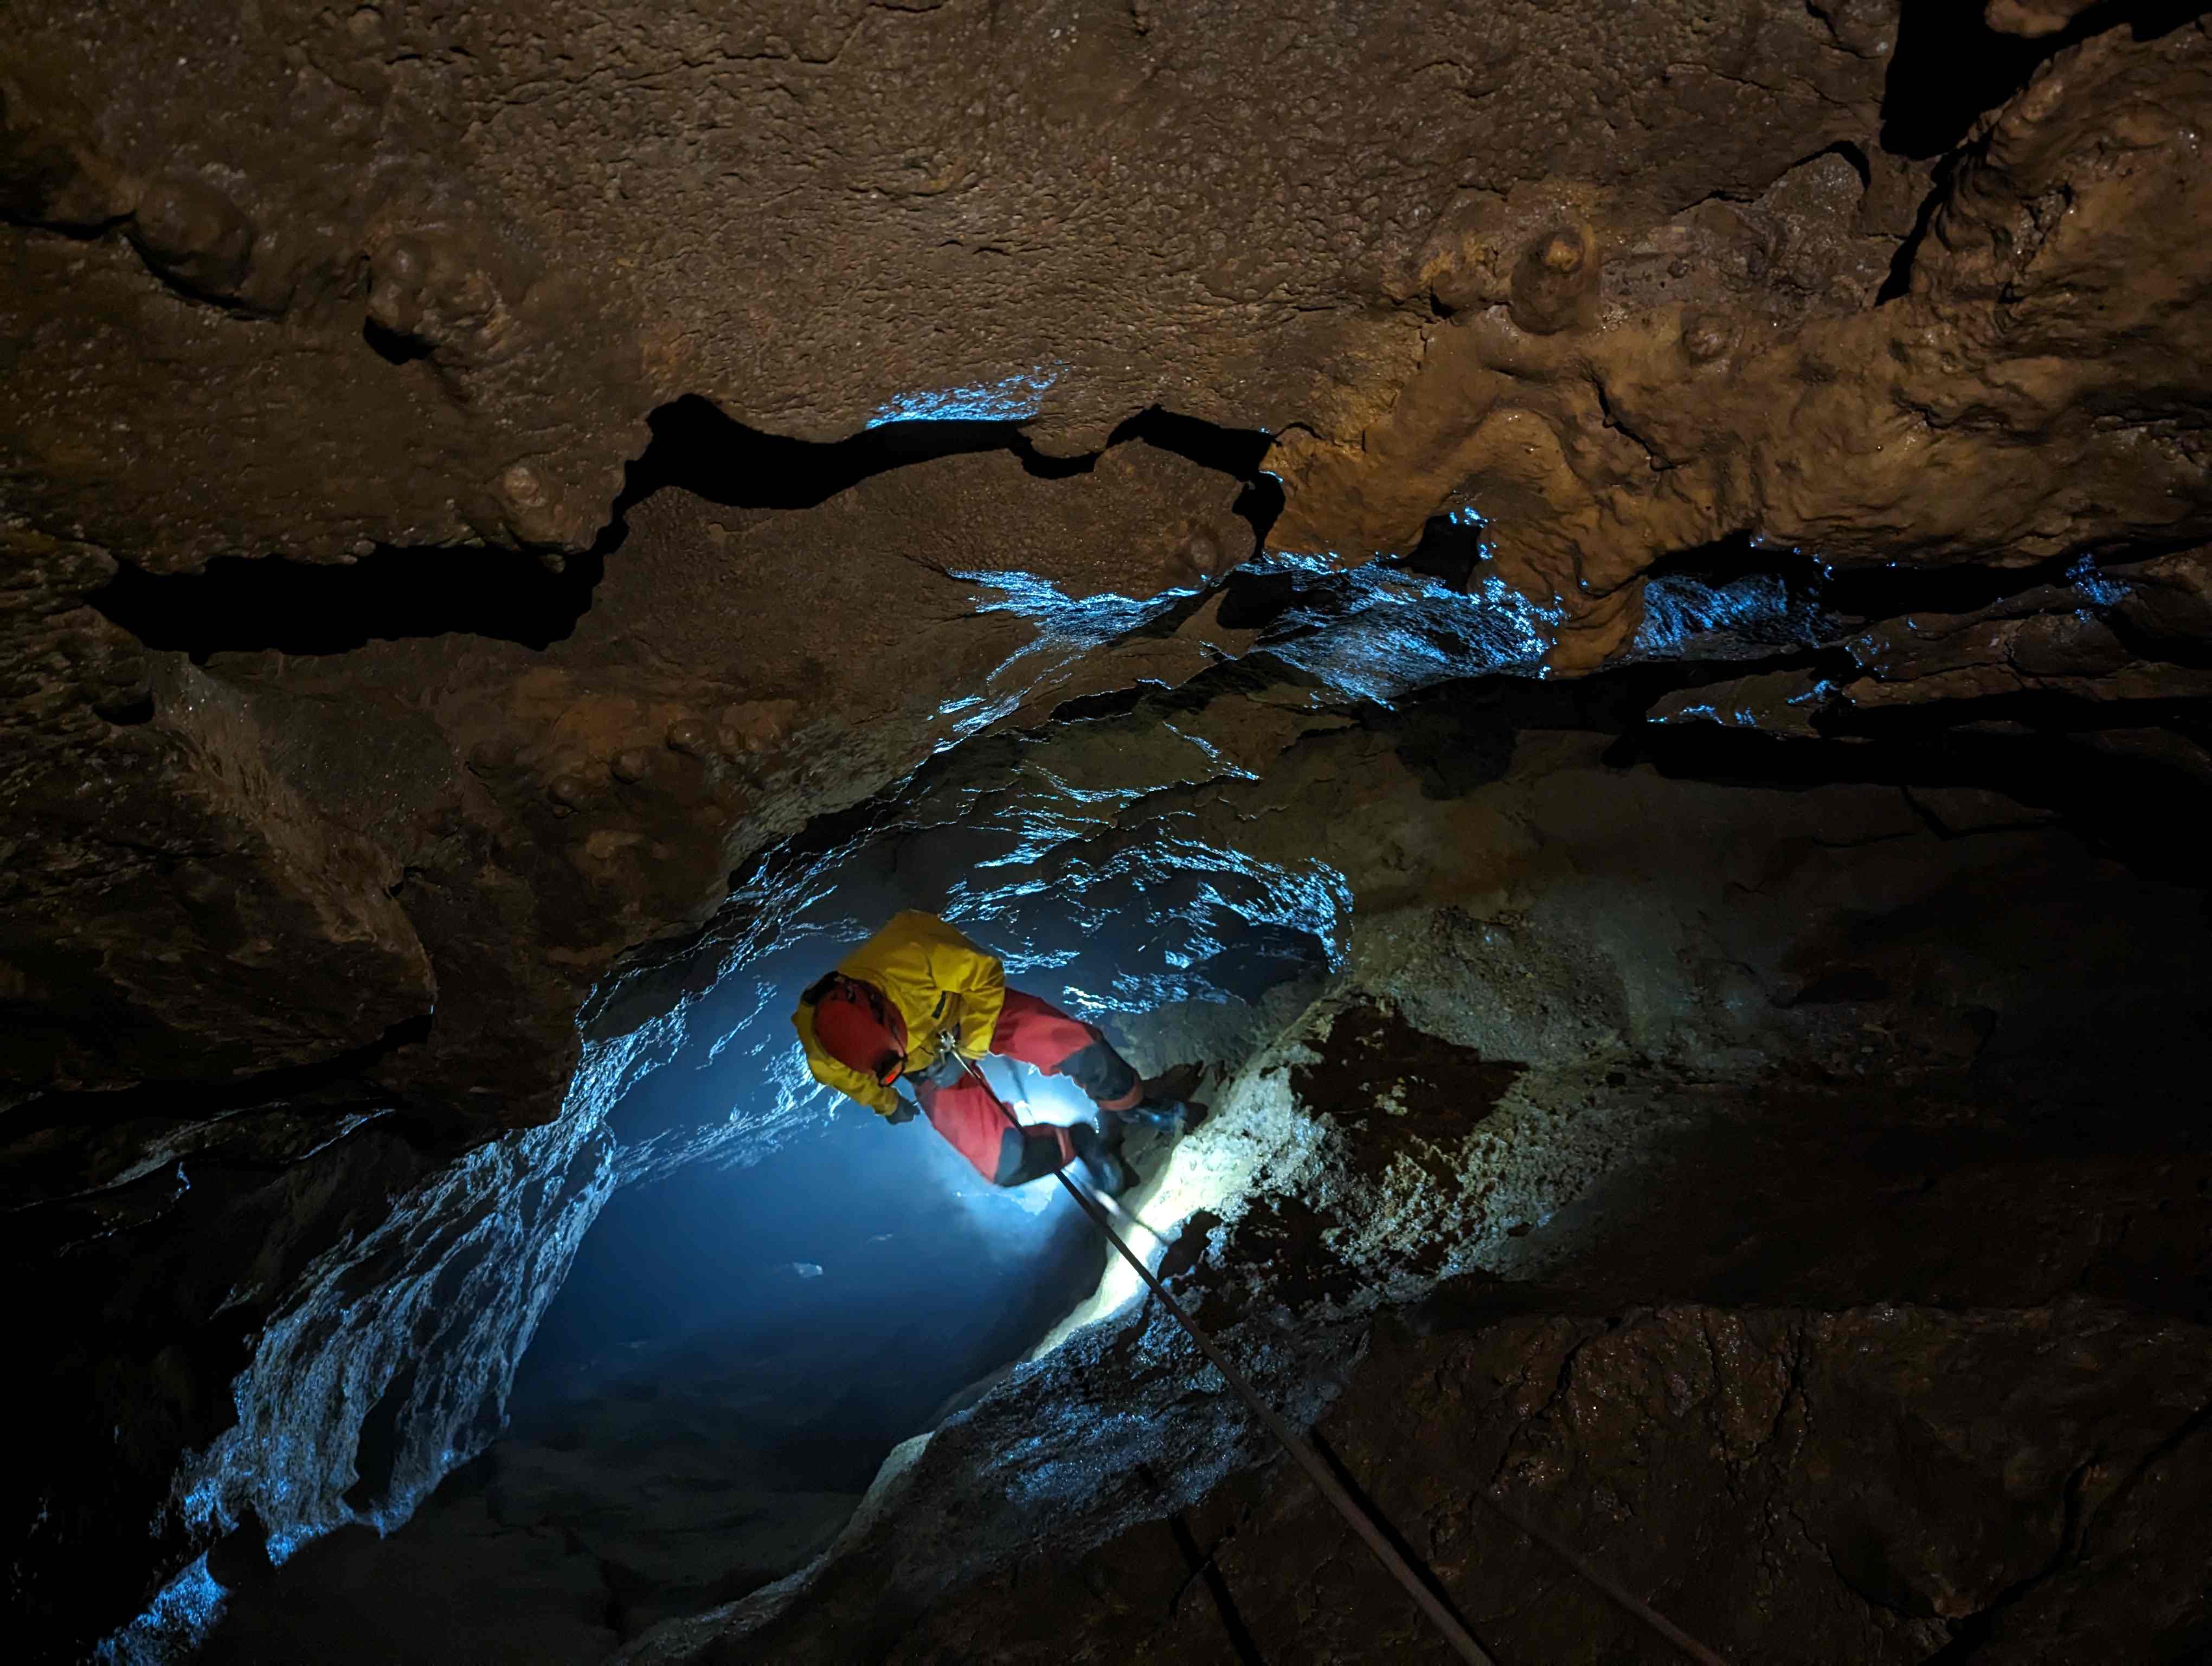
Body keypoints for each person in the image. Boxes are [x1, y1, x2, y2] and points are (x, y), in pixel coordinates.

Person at [791, 910, 1187, 1196]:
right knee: (1004, 1164)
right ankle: (1081, 1142)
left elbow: (986, 977)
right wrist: (890, 1103)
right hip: (925, 1066)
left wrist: (968, 1045)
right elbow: (859, 1083)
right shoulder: (824, 1055)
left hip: (969, 1011)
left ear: (880, 1005)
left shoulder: (911, 949)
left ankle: (1131, 1106)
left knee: (1078, 1046)